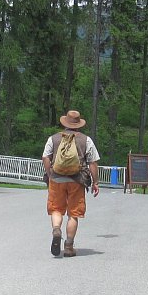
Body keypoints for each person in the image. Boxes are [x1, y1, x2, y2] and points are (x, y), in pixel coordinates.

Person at [42, 110, 100, 257]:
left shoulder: (53, 138)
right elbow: (93, 163)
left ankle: (56, 229)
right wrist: (96, 182)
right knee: (73, 214)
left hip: (57, 179)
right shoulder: (86, 140)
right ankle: (69, 247)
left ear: (65, 123)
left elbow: (45, 158)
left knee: (56, 209)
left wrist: (50, 174)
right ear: (79, 125)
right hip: (77, 180)